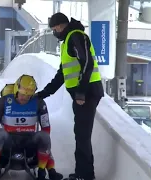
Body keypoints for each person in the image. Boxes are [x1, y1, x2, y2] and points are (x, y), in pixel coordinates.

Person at [35, 13, 104, 180]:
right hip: (82, 93)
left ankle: (85, 175)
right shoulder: (69, 41)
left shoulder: (76, 37)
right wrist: (44, 93)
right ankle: (83, 172)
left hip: (86, 93)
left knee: (82, 134)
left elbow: (87, 64)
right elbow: (62, 74)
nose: (54, 32)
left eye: (54, 29)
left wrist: (81, 92)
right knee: (80, 134)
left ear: (60, 26)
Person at [0, 75, 63, 180]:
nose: (24, 98)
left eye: (28, 95)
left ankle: (43, 172)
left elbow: (46, 129)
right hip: (8, 143)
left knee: (44, 137)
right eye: (22, 94)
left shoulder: (39, 103)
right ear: (16, 90)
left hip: (29, 143)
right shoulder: (3, 102)